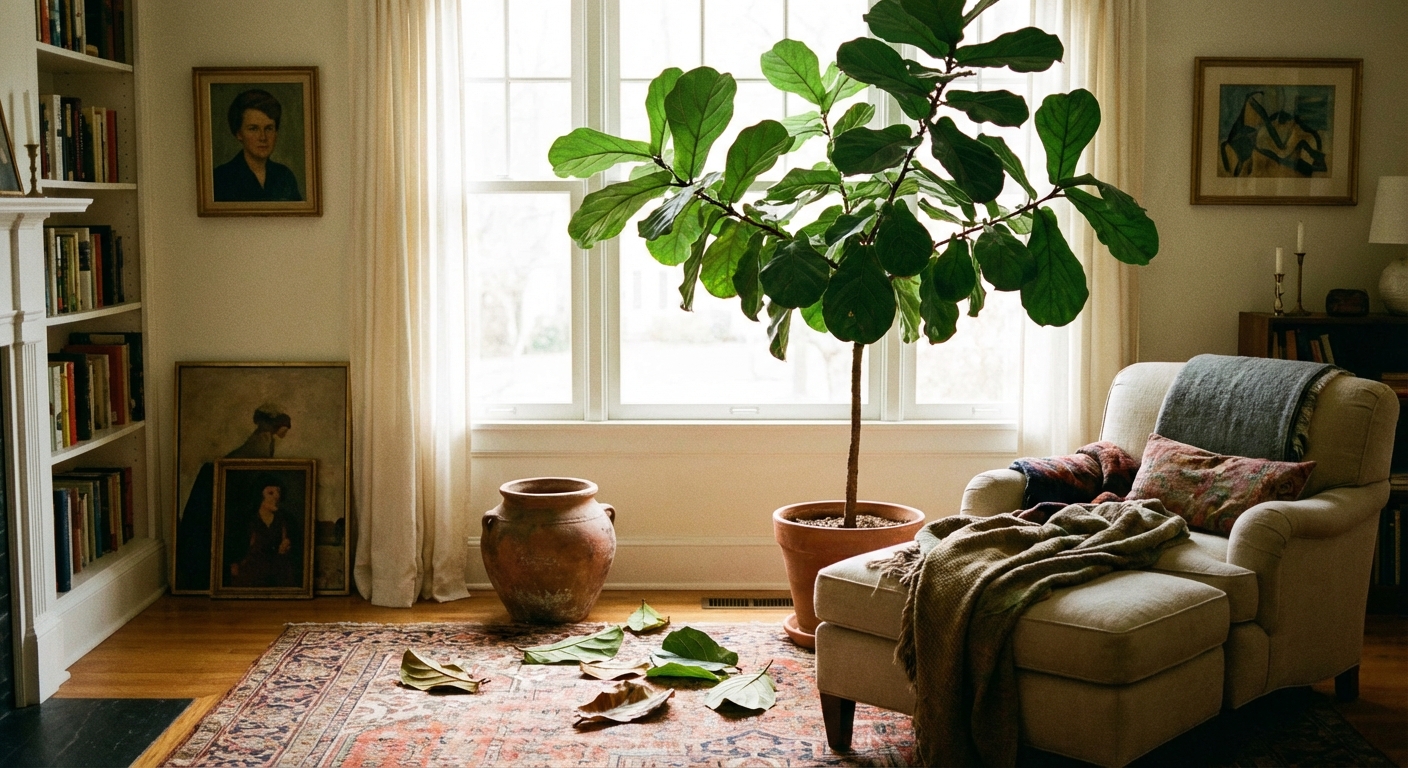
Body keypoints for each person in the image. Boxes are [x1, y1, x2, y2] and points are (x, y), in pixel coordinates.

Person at [173, 404, 292, 592]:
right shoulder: (261, 441)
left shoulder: (266, 441)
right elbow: (243, 467)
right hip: (227, 483)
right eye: (285, 426)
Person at [212, 89, 302, 202]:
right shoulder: (220, 178)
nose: (263, 137)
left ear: (276, 132)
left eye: (269, 128)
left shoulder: (285, 176)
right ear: (239, 134)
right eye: (253, 129)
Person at [227, 476, 301, 589]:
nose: (277, 496)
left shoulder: (286, 520)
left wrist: (285, 548)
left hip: (278, 575)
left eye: (278, 492)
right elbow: (235, 552)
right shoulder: (247, 520)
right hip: (251, 575)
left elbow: (297, 553)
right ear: (259, 496)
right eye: (271, 493)